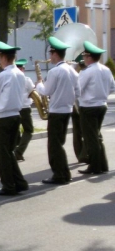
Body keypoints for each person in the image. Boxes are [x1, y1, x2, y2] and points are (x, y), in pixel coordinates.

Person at [0, 41, 29, 195]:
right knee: (9, 152)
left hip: (3, 117)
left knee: (2, 154)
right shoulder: (20, 74)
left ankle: (8, 185)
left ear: (3, 57)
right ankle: (20, 182)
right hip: (16, 115)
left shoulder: (4, 75)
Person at [36, 36, 80, 185]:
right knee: (59, 143)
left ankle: (60, 175)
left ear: (55, 54)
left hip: (56, 111)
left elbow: (46, 91)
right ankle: (64, 173)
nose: (50, 57)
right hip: (67, 110)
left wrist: (39, 85)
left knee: (54, 146)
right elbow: (78, 92)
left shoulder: (55, 72)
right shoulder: (73, 71)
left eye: (50, 54)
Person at [77, 41, 115, 175]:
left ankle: (95, 166)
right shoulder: (106, 69)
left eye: (85, 57)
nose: (84, 59)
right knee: (97, 136)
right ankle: (103, 165)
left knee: (90, 138)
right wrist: (101, 95)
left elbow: (78, 90)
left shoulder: (87, 72)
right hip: (102, 105)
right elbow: (112, 87)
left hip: (88, 107)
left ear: (89, 57)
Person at [13, 58, 35, 162]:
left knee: (16, 130)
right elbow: (32, 91)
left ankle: (16, 151)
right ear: (21, 68)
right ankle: (19, 151)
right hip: (25, 108)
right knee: (29, 130)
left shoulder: (11, 79)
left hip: (14, 108)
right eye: (24, 68)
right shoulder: (26, 79)